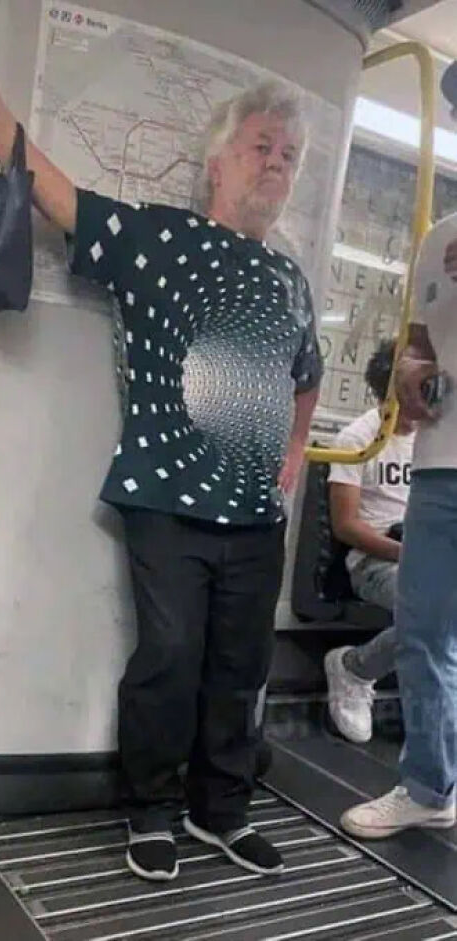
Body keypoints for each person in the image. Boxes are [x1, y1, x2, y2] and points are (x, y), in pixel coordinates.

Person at [0, 49, 323, 881]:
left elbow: (307, 374)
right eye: (262, 146)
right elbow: (64, 201)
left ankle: (221, 811)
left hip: (257, 509)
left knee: (242, 665)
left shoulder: (291, 280)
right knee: (171, 655)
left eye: (290, 155)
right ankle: (151, 808)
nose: (277, 164)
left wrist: (295, 450)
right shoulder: (162, 238)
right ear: (219, 161)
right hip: (169, 492)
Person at [341, 60, 457, 839]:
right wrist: (413, 374)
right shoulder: (438, 240)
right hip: (441, 466)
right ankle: (428, 786)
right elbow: (418, 346)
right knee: (424, 635)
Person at [324, 339, 414, 744]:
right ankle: (355, 669)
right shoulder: (357, 438)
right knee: (434, 609)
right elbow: (346, 525)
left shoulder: (435, 441)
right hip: (376, 560)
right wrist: (407, 553)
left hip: (427, 553)